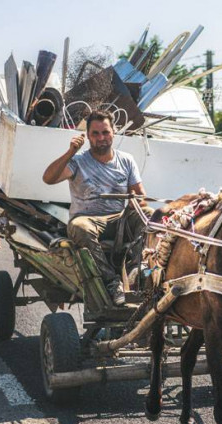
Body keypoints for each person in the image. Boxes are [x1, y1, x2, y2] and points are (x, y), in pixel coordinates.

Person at [42, 110, 151, 306]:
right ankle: (112, 282)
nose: (101, 138)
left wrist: (137, 202)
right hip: (88, 220)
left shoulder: (126, 160)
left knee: (149, 215)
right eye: (95, 134)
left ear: (114, 133)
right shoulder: (77, 161)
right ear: (88, 136)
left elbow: (141, 197)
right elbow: (48, 178)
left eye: (105, 132)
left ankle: (136, 274)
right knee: (80, 227)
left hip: (118, 220)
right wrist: (70, 152)